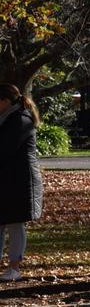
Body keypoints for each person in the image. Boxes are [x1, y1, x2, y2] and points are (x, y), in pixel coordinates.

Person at [0, 85, 44, 282]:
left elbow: (5, 149)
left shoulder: (20, 119)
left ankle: (14, 266)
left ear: (5, 101)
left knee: (15, 223)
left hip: (20, 181)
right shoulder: (8, 118)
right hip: (7, 178)